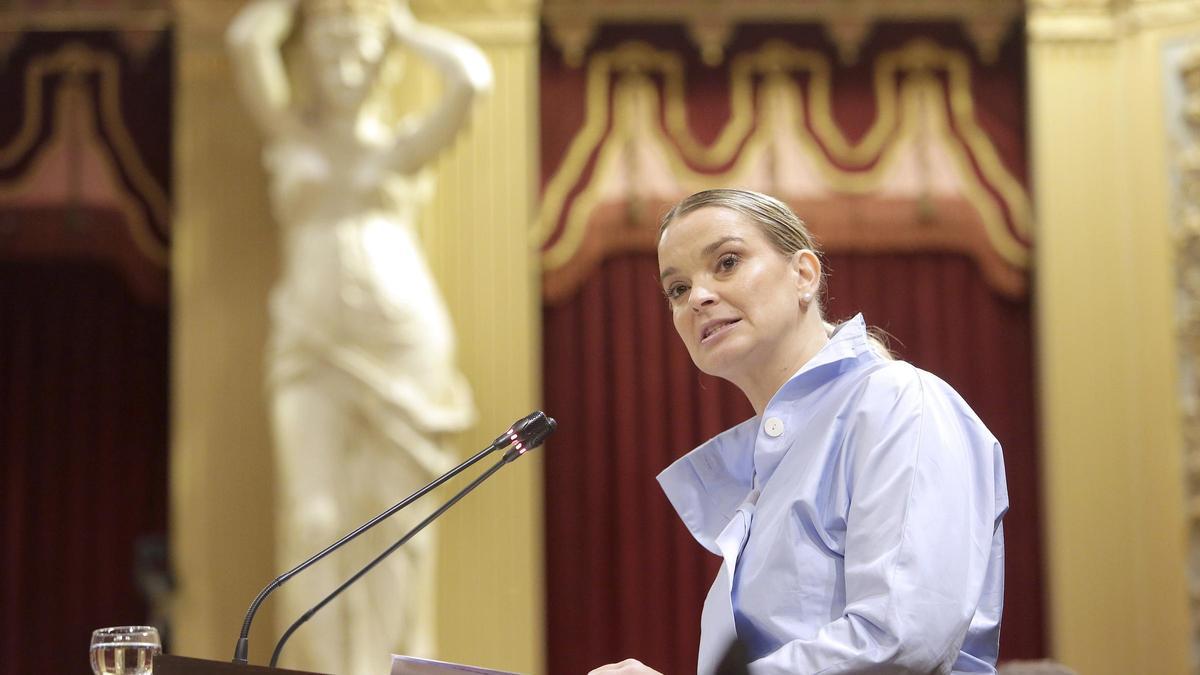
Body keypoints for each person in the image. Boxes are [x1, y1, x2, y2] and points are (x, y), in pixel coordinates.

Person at [590, 189, 1008, 675]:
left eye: (726, 262)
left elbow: (901, 638)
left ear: (804, 274)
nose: (698, 298)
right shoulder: (772, 469)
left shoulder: (897, 401)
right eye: (677, 289)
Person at [225, 1, 491, 672]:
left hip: (401, 341)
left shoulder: (400, 144)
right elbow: (245, 40)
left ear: (384, 55)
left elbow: (470, 79)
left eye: (359, 47)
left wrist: (402, 30)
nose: (343, 62)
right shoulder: (292, 136)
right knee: (311, 519)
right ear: (307, 55)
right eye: (328, 48)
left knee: (400, 524)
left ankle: (397, 666)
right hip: (309, 341)